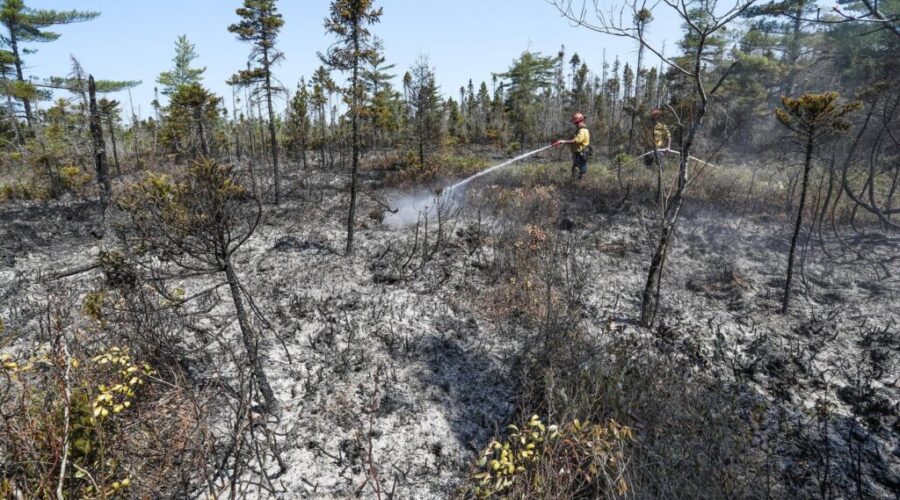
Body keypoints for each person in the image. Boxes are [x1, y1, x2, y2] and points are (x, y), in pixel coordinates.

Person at [552, 112, 590, 180]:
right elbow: (571, 139)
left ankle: (579, 185)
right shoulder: (578, 131)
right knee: (575, 170)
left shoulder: (583, 131)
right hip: (578, 153)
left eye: (576, 123)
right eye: (575, 123)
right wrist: (560, 142)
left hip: (581, 154)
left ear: (581, 121)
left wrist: (564, 141)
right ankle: (576, 184)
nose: (575, 125)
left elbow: (576, 141)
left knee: (579, 170)